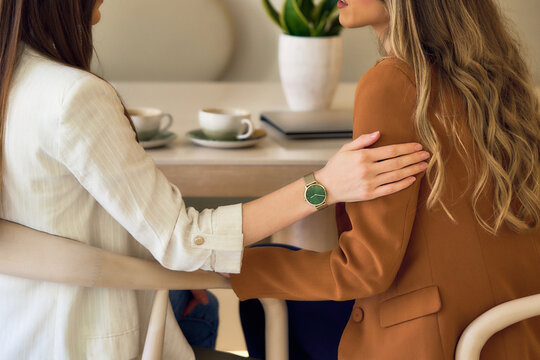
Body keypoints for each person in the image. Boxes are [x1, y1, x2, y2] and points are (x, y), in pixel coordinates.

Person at [0, 0, 428, 359]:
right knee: (245, 302)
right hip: (88, 341)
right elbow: (184, 242)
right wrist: (323, 186)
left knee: (197, 304)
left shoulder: (12, 77)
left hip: (21, 333)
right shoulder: (73, 96)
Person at [229, 0, 540, 359]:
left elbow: (364, 271)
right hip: (511, 334)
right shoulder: (503, 84)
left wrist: (236, 264)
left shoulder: (392, 83)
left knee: (259, 294)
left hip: (436, 341)